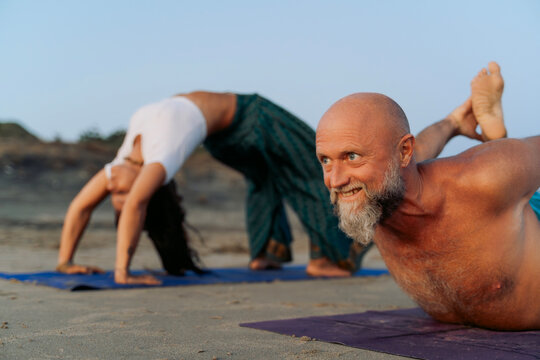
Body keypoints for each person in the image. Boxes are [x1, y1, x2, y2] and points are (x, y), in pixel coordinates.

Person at [315, 62, 540, 330]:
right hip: (498, 215)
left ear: (403, 152)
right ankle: (492, 133)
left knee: (504, 189)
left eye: (352, 157)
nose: (336, 180)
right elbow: (416, 151)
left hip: (528, 216)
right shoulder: (372, 203)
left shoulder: (484, 177)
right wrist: (453, 122)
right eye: (326, 160)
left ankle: (496, 139)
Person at [57, 92, 369, 285]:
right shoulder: (163, 155)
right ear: (150, 190)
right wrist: (121, 271)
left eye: (118, 197)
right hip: (248, 118)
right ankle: (329, 256)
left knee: (264, 179)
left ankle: (265, 253)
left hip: (221, 140)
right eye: (125, 195)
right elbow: (138, 203)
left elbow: (80, 207)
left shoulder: (120, 163)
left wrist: (65, 261)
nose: (117, 191)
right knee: (306, 159)